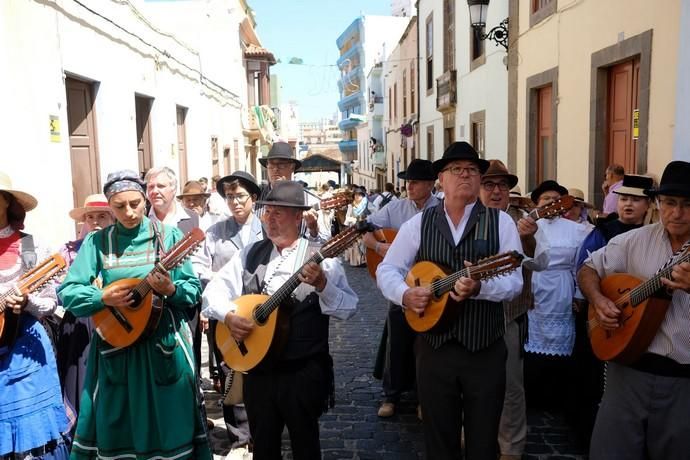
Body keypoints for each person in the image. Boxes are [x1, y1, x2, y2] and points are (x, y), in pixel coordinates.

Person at [377, 142, 523, 460]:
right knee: (438, 438)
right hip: (434, 347)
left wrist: (479, 289)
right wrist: (405, 294)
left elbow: (514, 282)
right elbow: (388, 269)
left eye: (472, 170)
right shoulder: (418, 224)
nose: (465, 175)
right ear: (441, 178)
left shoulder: (501, 223)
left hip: (484, 348)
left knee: (483, 440)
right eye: (456, 169)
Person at [58, 170, 210, 460]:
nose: (128, 212)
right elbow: (69, 292)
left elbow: (192, 290)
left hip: (162, 349)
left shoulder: (170, 238)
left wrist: (171, 289)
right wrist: (101, 296)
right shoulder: (97, 242)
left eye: (135, 203)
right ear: (110, 207)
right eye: (119, 206)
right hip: (117, 350)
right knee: (119, 426)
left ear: (145, 200)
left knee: (170, 422)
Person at [201, 180, 358, 460]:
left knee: (305, 445)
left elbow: (349, 308)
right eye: (267, 212)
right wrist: (228, 315)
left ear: (298, 217)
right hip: (258, 371)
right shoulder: (250, 253)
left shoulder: (322, 258)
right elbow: (214, 291)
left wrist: (323, 285)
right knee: (264, 446)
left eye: (277, 213)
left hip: (301, 371)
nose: (268, 219)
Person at [578, 161, 690, 459]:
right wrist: (598, 300)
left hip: (682, 381)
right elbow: (588, 269)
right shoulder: (633, 241)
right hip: (625, 372)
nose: (677, 213)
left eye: (687, 204)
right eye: (669, 203)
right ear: (658, 203)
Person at [571, 174, 652, 449]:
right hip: (602, 311)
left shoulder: (656, 234)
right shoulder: (603, 231)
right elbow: (584, 266)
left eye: (636, 200)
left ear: (648, 204)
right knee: (592, 377)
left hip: (640, 320)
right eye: (624, 198)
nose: (628, 204)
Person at [0, 172, 70, 459]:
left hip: (25, 349)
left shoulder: (30, 247)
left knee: (32, 438)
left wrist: (26, 300)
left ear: (7, 202)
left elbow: (51, 303)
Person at [364, 159, 438, 418]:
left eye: (415, 182)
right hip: (401, 285)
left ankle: (423, 397)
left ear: (430, 184)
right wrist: (380, 248)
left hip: (430, 284)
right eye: (408, 181)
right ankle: (391, 396)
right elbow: (365, 229)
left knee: (426, 345)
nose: (410, 186)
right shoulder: (395, 208)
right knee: (397, 342)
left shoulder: (441, 210)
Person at [195, 171, 263, 451]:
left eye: (240, 196)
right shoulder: (215, 231)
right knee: (229, 372)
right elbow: (198, 266)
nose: (235, 202)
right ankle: (239, 435)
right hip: (225, 311)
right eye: (229, 197)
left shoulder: (266, 227)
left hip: (261, 312)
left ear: (254, 198)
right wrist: (220, 279)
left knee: (260, 370)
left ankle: (263, 429)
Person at [518, 180, 590, 414]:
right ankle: (533, 394)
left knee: (562, 341)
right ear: (537, 203)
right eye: (546, 199)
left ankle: (557, 395)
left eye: (555, 199)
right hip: (535, 284)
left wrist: (578, 294)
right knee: (531, 341)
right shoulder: (528, 226)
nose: (551, 202)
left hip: (561, 286)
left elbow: (581, 265)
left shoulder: (578, 230)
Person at [478, 160, 530, 460]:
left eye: (502, 186)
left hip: (508, 314)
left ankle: (511, 446)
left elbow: (537, 260)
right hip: (468, 313)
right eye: (490, 185)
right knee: (471, 383)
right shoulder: (467, 218)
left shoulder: (524, 219)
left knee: (511, 384)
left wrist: (529, 237)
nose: (497, 191)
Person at [56, 194, 114, 430]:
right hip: (79, 323)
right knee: (80, 378)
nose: (96, 221)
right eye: (91, 217)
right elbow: (61, 289)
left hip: (112, 321)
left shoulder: (117, 248)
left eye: (102, 216)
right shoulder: (69, 251)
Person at [255, 142, 321, 239]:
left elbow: (321, 243)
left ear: (292, 167)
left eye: (281, 165)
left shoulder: (311, 201)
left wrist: (313, 229)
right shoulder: (256, 197)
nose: (275, 170)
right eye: (271, 165)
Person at [343, 187, 369, 266]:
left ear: (363, 196)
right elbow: (347, 217)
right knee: (355, 245)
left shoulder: (367, 204)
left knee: (363, 244)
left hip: (364, 226)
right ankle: (356, 262)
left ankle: (364, 260)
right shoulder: (351, 206)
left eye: (359, 195)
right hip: (354, 227)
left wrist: (367, 218)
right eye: (356, 195)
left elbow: (374, 213)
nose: (357, 196)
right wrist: (353, 219)